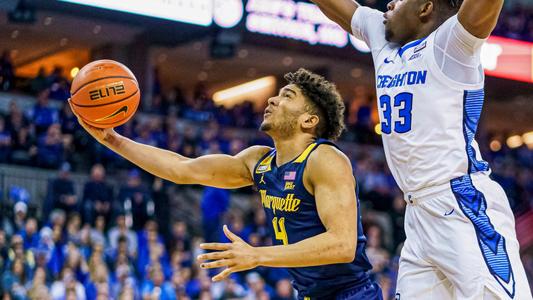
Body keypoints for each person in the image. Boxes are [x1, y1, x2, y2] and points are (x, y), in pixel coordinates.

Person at [72, 68, 381, 299]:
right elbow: (183, 169)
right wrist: (113, 139)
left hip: (351, 293)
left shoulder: (325, 159)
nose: (272, 98)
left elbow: (342, 245)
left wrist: (257, 254)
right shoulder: (259, 161)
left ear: (309, 121)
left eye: (287, 96)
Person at [310, 0, 531, 299]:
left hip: (461, 203)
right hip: (416, 213)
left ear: (426, 8)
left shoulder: (451, 45)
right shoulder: (384, 39)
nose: (389, 2)